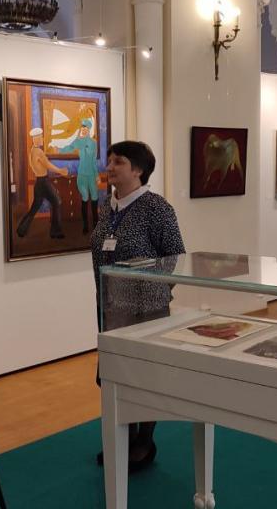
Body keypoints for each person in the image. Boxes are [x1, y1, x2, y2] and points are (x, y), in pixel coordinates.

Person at [90, 140, 185, 471]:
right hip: (111, 309)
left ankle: (145, 442)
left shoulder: (157, 208)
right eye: (110, 160)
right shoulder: (108, 207)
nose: (110, 167)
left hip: (147, 310)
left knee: (145, 376)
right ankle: (124, 438)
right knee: (116, 375)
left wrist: (154, 293)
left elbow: (173, 256)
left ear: (139, 170)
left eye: (118, 161)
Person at [16, 127, 68, 239]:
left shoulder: (32, 151)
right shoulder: (38, 152)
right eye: (40, 137)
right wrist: (60, 171)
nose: (43, 139)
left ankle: (21, 230)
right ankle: (55, 232)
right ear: (36, 139)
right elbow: (47, 165)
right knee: (57, 201)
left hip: (39, 183)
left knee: (35, 207)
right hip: (43, 182)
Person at [51, 118, 100, 233]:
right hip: (81, 175)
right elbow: (69, 148)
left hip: (92, 176)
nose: (83, 130)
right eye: (82, 128)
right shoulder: (78, 141)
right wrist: (59, 150)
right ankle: (85, 226)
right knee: (85, 198)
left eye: (85, 128)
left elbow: (94, 161)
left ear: (89, 129)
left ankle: (96, 225)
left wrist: (97, 176)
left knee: (94, 198)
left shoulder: (94, 143)